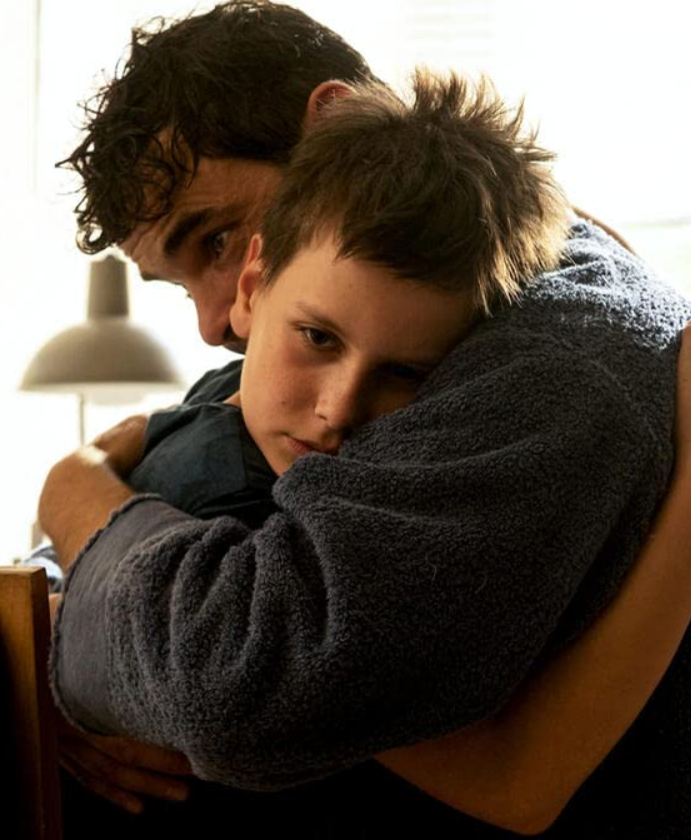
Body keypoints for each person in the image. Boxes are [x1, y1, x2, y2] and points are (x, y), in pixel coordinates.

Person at [42, 2, 691, 837]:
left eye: (216, 239)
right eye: (181, 282)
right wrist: (66, 657)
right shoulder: (415, 324)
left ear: (330, 122)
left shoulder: (546, 357)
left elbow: (238, 684)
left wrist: (74, 494)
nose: (212, 322)